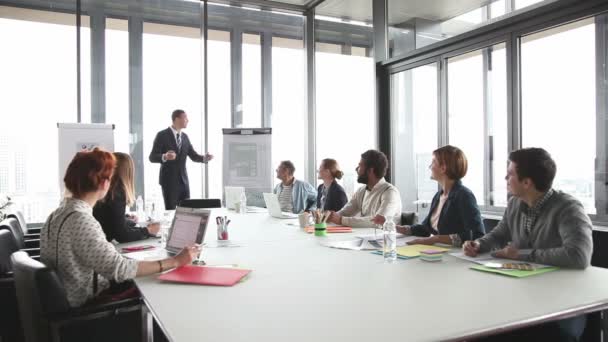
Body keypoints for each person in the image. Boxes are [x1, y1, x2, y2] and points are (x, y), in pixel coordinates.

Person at [41, 148, 200, 307]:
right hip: (90, 307)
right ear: (105, 183)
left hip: (70, 298)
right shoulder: (81, 220)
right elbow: (119, 269)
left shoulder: (57, 214)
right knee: (155, 286)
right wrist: (175, 261)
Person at [463, 147, 592, 342]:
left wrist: (521, 254)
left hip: (560, 305)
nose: (505, 179)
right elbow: (500, 233)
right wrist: (479, 244)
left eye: (510, 175)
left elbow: (578, 255)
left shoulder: (568, 208)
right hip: (523, 298)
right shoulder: (515, 203)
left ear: (527, 182)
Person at [397, 145, 484, 247]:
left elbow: (476, 234)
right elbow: (426, 229)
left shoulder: (464, 195)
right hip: (440, 253)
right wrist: (401, 229)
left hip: (458, 257)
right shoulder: (438, 196)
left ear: (443, 168)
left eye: (433, 162)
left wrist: (436, 239)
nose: (430, 166)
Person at [149, 109, 214, 210]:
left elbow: (193, 156)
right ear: (177, 119)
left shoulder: (185, 137)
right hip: (169, 181)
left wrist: (205, 158)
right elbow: (152, 157)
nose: (188, 120)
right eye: (185, 118)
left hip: (184, 182)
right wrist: (165, 156)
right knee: (170, 211)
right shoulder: (162, 135)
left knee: (187, 210)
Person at [93, 152, 160, 243]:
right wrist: (148, 231)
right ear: (128, 171)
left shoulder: (106, 188)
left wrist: (126, 219)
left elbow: (108, 219)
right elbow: (122, 236)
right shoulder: (117, 192)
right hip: (101, 243)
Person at [327, 150, 402, 228]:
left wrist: (341, 220)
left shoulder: (390, 192)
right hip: (365, 237)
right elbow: (346, 212)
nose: (356, 169)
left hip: (385, 238)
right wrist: (330, 217)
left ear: (370, 170)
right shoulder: (361, 191)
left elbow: (378, 222)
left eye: (360, 166)